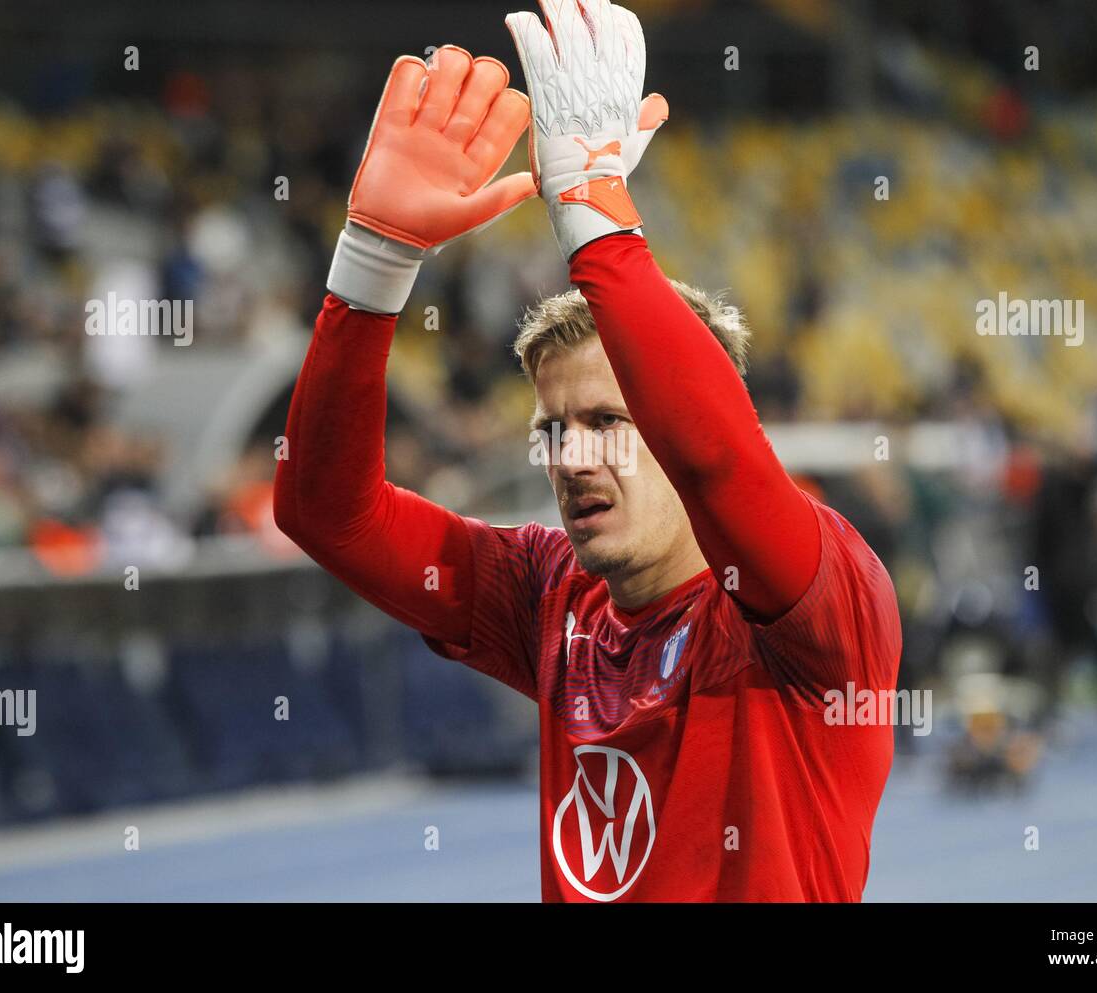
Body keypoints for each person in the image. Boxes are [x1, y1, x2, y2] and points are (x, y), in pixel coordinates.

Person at [275, 0, 901, 902]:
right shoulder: (550, 595)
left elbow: (718, 460)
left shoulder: (819, 598)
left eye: (608, 421)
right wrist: (371, 266)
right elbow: (326, 514)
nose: (571, 457)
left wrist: (594, 217)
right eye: (553, 429)